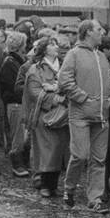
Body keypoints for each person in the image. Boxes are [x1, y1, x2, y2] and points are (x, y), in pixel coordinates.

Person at [58, 20, 110, 212]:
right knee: (80, 155)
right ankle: (69, 188)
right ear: (88, 32)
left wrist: (109, 98)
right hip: (80, 114)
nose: (102, 32)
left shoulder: (102, 56)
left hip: (102, 115)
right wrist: (83, 97)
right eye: (98, 29)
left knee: (99, 159)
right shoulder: (74, 54)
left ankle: (95, 199)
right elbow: (64, 80)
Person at [24, 36, 69, 197]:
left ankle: (53, 184)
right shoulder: (36, 69)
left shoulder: (64, 66)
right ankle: (44, 184)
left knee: (58, 150)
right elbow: (34, 92)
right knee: (45, 151)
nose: (55, 46)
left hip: (62, 116)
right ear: (44, 49)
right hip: (44, 116)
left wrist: (55, 89)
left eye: (56, 43)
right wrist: (56, 97)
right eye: (51, 44)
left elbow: (71, 84)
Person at [0, 31, 29, 177]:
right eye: (24, 43)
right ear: (19, 46)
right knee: (17, 135)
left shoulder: (16, 61)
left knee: (21, 134)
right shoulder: (10, 62)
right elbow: (13, 86)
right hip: (15, 103)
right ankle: (17, 164)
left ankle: (22, 162)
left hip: (18, 103)